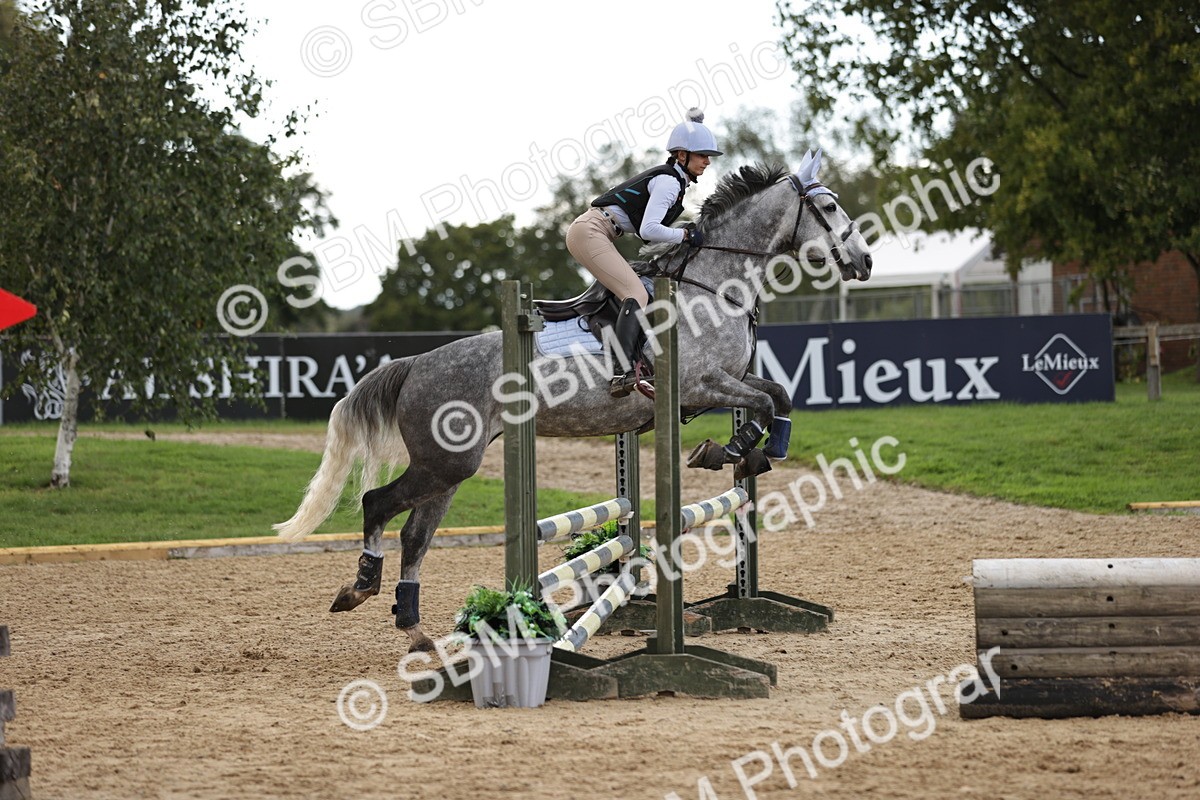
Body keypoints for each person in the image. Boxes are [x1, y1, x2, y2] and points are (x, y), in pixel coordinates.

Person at [566, 108, 722, 397]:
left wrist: (681, 231)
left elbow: (644, 231)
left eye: (707, 155)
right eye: (702, 154)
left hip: (597, 231)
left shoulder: (674, 182)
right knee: (635, 294)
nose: (707, 161)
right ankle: (622, 372)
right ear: (681, 155)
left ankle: (630, 360)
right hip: (591, 231)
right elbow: (649, 231)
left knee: (635, 290)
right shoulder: (669, 182)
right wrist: (685, 234)